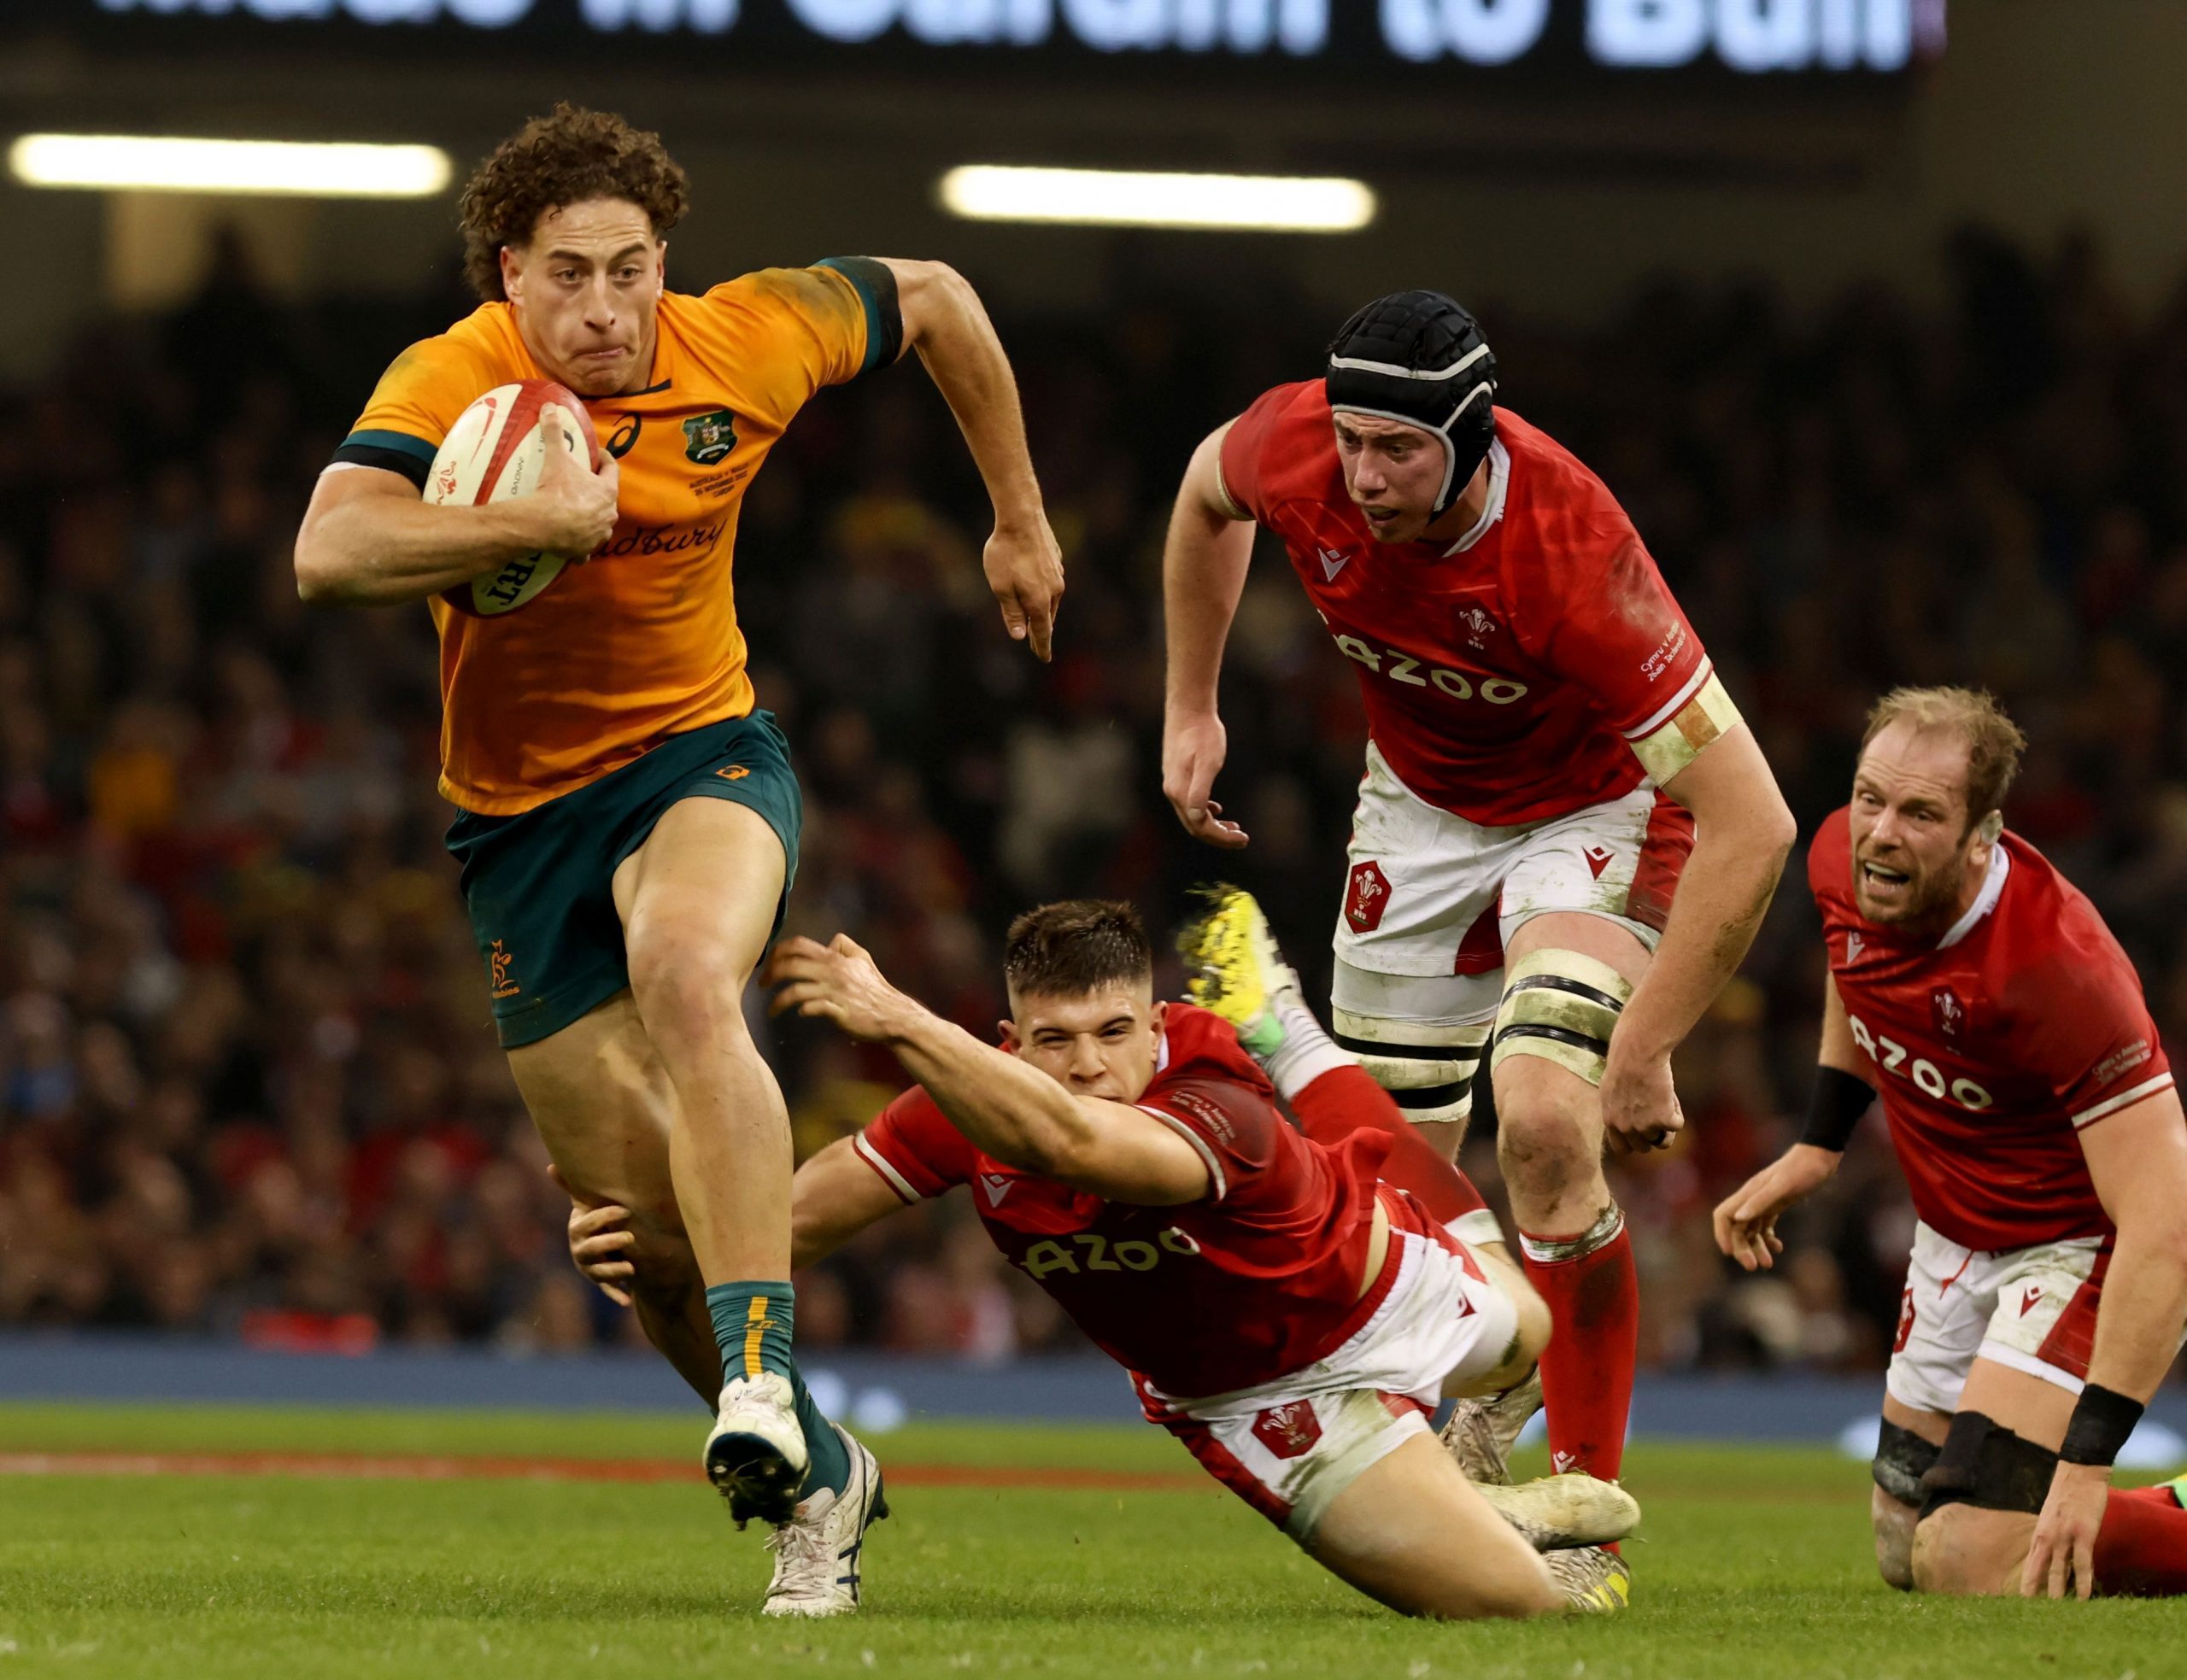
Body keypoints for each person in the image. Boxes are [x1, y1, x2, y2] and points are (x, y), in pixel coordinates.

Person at [290, 102, 1064, 1610]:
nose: (599, 308)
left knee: (691, 974)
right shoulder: (456, 378)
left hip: (699, 753)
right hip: (514, 825)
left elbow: (944, 301)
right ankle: (826, 1474)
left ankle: (762, 1387)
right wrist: (533, 516)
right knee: (637, 1247)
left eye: (628, 270)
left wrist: (1017, 518)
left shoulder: (752, 337)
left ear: (666, 265)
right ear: (509, 273)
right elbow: (329, 552)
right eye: (566, 274)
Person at [572, 892, 1639, 1618]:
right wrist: (660, 1236)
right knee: (1521, 1606)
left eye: (1112, 1032)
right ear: (1010, 1037)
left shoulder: (1215, 1100)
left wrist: (895, 1015)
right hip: (1257, 1399)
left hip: (1388, 1283)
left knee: (1527, 1329)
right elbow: (784, 1221)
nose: (1086, 1065)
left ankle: (1289, 1035)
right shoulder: (969, 1100)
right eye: (1053, 1040)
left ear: (1159, 1026)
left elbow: (1073, 1142)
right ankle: (1488, 1512)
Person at [1158, 289, 1795, 1497]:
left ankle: (1587, 1504)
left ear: (1473, 437)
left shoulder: (1573, 553)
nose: (1364, 472)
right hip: (1417, 808)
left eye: (1399, 448)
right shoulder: (1301, 445)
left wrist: (1651, 1040)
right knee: (1372, 1177)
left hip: (1595, 808)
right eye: (1352, 440)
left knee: (1548, 1119)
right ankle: (1467, 1402)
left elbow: (1755, 820)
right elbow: (1203, 497)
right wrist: (1194, 701)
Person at [1715, 688, 2187, 1601]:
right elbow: (1854, 971)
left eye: (1921, 812)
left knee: (1969, 1556)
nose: (1880, 833)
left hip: (2074, 1247)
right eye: (1869, 798)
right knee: (1903, 1543)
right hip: (1952, 1233)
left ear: (1983, 834)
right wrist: (1820, 1139)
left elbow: (2166, 1225)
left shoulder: (2058, 968)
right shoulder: (1840, 858)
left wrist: (2086, 1467)